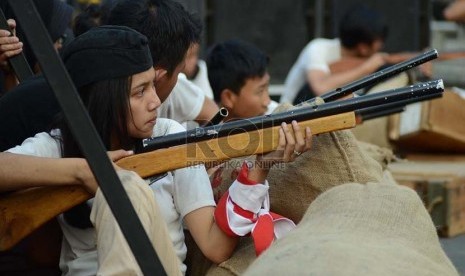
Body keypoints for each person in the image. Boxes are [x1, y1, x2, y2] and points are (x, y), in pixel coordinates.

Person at [0, 25, 312, 275]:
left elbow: (215, 246)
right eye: (139, 91)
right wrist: (86, 171)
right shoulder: (58, 145)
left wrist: (260, 169)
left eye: (152, 85)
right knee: (124, 185)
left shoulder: (171, 136)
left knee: (126, 186)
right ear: (102, 99)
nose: (155, 101)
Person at [0, 0, 216, 151]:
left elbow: (214, 115)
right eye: (178, 73)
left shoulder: (163, 124)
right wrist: (79, 171)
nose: (155, 102)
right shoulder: (62, 124)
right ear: (158, 74)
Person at [279, 4, 388, 104]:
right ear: (363, 48)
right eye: (380, 41)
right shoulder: (318, 48)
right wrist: (366, 68)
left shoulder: (370, 59)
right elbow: (320, 88)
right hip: (290, 115)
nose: (381, 46)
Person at [206, 39, 279, 122]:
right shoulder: (198, 129)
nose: (267, 102)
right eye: (260, 91)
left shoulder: (275, 114)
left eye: (267, 88)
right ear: (228, 97)